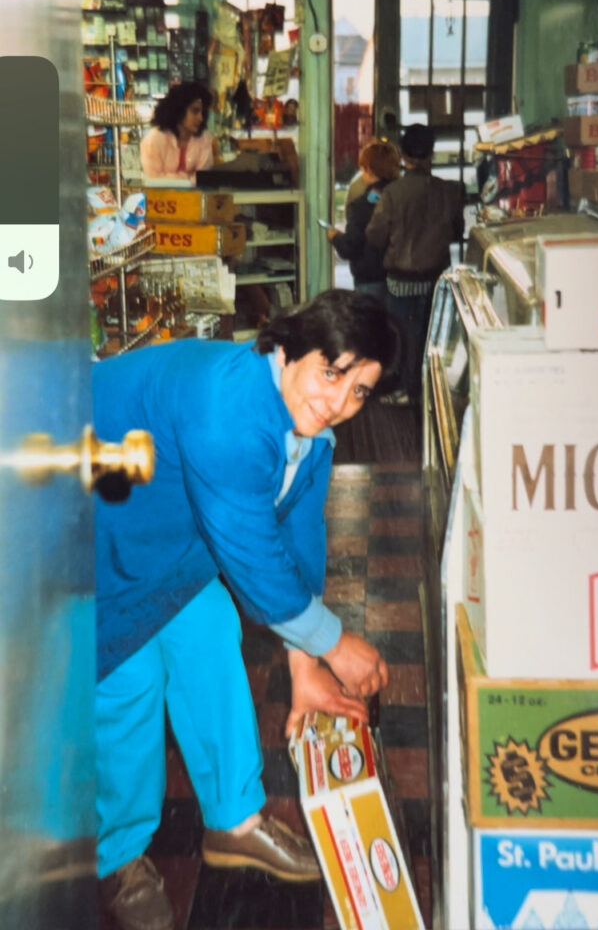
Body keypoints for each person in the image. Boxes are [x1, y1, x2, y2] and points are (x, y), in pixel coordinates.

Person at [93, 290, 402, 930]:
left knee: (209, 628)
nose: (340, 402)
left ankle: (233, 821)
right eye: (332, 372)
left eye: (360, 391)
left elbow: (299, 537)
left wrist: (304, 665)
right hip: (86, 526)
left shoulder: (308, 430)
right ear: (289, 350)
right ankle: (117, 856)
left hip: (160, 532)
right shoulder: (231, 410)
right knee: (130, 677)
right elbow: (254, 557)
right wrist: (333, 643)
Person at [365, 123, 464, 406]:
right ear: (431, 155)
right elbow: (457, 232)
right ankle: (429, 393)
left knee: (401, 337)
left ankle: (402, 390)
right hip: (436, 279)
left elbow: (374, 235)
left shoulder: (393, 194)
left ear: (403, 157)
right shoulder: (450, 192)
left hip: (401, 280)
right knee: (432, 338)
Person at [325, 139, 401, 307]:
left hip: (370, 279)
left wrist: (335, 237)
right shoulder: (403, 197)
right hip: (401, 279)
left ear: (368, 169)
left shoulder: (361, 205)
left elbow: (351, 247)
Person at [140, 80, 215, 183]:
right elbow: (154, 180)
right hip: (161, 198)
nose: (200, 118)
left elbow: (203, 179)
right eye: (195, 111)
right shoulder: (154, 139)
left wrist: (171, 178)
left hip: (195, 198)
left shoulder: (204, 138)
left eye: (203, 113)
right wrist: (188, 178)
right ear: (179, 110)